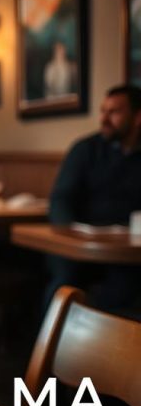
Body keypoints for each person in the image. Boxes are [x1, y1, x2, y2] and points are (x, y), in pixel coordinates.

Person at [47, 84, 141, 311]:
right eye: (103, 111)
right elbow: (61, 198)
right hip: (80, 246)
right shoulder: (85, 150)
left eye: (114, 112)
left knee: (124, 289)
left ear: (138, 117)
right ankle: (50, 345)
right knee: (65, 282)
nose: (104, 118)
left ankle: (108, 345)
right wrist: (69, 237)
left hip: (127, 252)